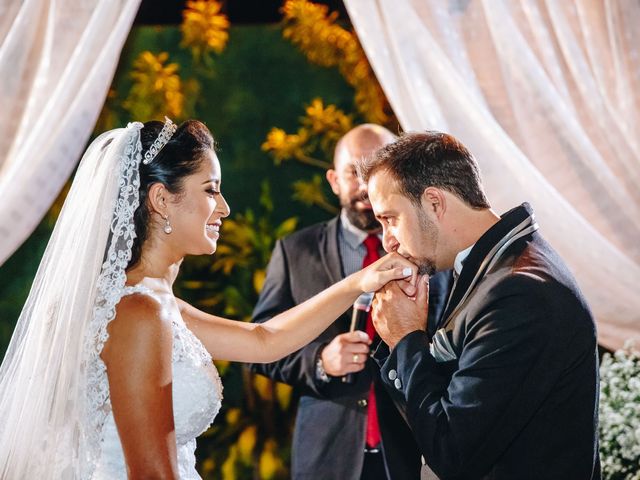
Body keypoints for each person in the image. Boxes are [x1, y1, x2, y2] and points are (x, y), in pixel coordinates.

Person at [0, 118, 419, 479]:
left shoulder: (155, 302)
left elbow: (264, 340)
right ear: (162, 200)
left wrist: (359, 282)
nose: (224, 207)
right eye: (211, 190)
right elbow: (151, 473)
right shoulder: (139, 312)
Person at [359, 131, 601, 480]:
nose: (388, 241)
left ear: (434, 203)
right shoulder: (493, 265)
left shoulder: (519, 294)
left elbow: (454, 453)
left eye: (390, 219)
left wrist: (406, 339)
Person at [250, 124, 452, 480]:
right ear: (332, 180)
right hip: (327, 454)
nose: (365, 185)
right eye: (353, 172)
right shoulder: (295, 251)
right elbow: (261, 343)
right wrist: (320, 361)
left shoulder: (434, 250)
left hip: (419, 451)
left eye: (377, 171)